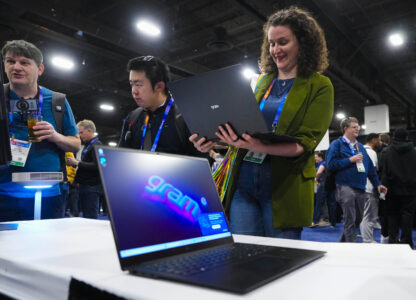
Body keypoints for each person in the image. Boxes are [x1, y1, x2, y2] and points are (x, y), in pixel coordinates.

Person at [191, 6, 334, 239]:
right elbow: (244, 134)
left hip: (284, 185)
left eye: (283, 42)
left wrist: (254, 145)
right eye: (271, 43)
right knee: (245, 256)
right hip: (243, 181)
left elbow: (303, 145)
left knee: (281, 260)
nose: (275, 49)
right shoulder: (261, 83)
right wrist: (214, 142)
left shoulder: (319, 85)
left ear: (303, 42)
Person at [0, 40, 80, 222]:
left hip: (46, 195)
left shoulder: (57, 101)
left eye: (25, 62)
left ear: (40, 69)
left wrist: (55, 136)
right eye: (10, 61)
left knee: (44, 247)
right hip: (3, 192)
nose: (16, 67)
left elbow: (76, 144)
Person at [118, 55, 203, 157]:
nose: (134, 91)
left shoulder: (184, 117)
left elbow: (202, 162)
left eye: (139, 84)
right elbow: (121, 157)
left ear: (159, 86)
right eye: (132, 84)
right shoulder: (133, 118)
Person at [326, 117, 387, 242]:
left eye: (358, 126)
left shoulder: (360, 147)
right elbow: (330, 164)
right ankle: (352, 249)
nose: (357, 129)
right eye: (354, 127)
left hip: (360, 187)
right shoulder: (336, 144)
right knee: (350, 220)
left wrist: (378, 184)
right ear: (346, 129)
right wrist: (350, 160)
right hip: (345, 186)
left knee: (357, 219)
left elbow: (370, 168)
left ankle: (342, 244)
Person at [379, 128, 416, 248]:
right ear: (406, 137)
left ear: (394, 137)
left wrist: (383, 191)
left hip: (391, 190)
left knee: (392, 216)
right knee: (408, 216)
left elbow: (383, 172)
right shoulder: (414, 152)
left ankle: (393, 242)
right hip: (410, 190)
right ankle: (407, 242)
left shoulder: (386, 152)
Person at [67, 120, 102, 219]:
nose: (79, 136)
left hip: (92, 187)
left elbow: (97, 166)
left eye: (81, 132)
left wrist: (77, 162)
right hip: (85, 186)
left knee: (91, 216)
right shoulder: (89, 145)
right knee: (86, 216)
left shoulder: (97, 145)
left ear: (90, 131)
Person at [359, 133, 381, 243]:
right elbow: (373, 171)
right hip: (369, 187)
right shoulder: (371, 152)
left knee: (365, 215)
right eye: (378, 140)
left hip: (360, 187)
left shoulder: (360, 149)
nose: (380, 142)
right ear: (373, 140)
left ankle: (367, 239)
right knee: (369, 216)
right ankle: (368, 240)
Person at [311, 151, 336, 227]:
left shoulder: (322, 164)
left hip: (323, 185)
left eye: (316, 157)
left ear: (320, 157)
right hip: (332, 185)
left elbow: (318, 173)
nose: (315, 159)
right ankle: (333, 223)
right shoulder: (330, 164)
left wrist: (315, 178)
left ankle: (315, 221)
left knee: (318, 203)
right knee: (332, 204)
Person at [378, 132, 391, 243]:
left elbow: (381, 171)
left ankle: (385, 236)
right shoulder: (392, 151)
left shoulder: (381, 152)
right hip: (394, 187)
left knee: (384, 212)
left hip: (383, 187)